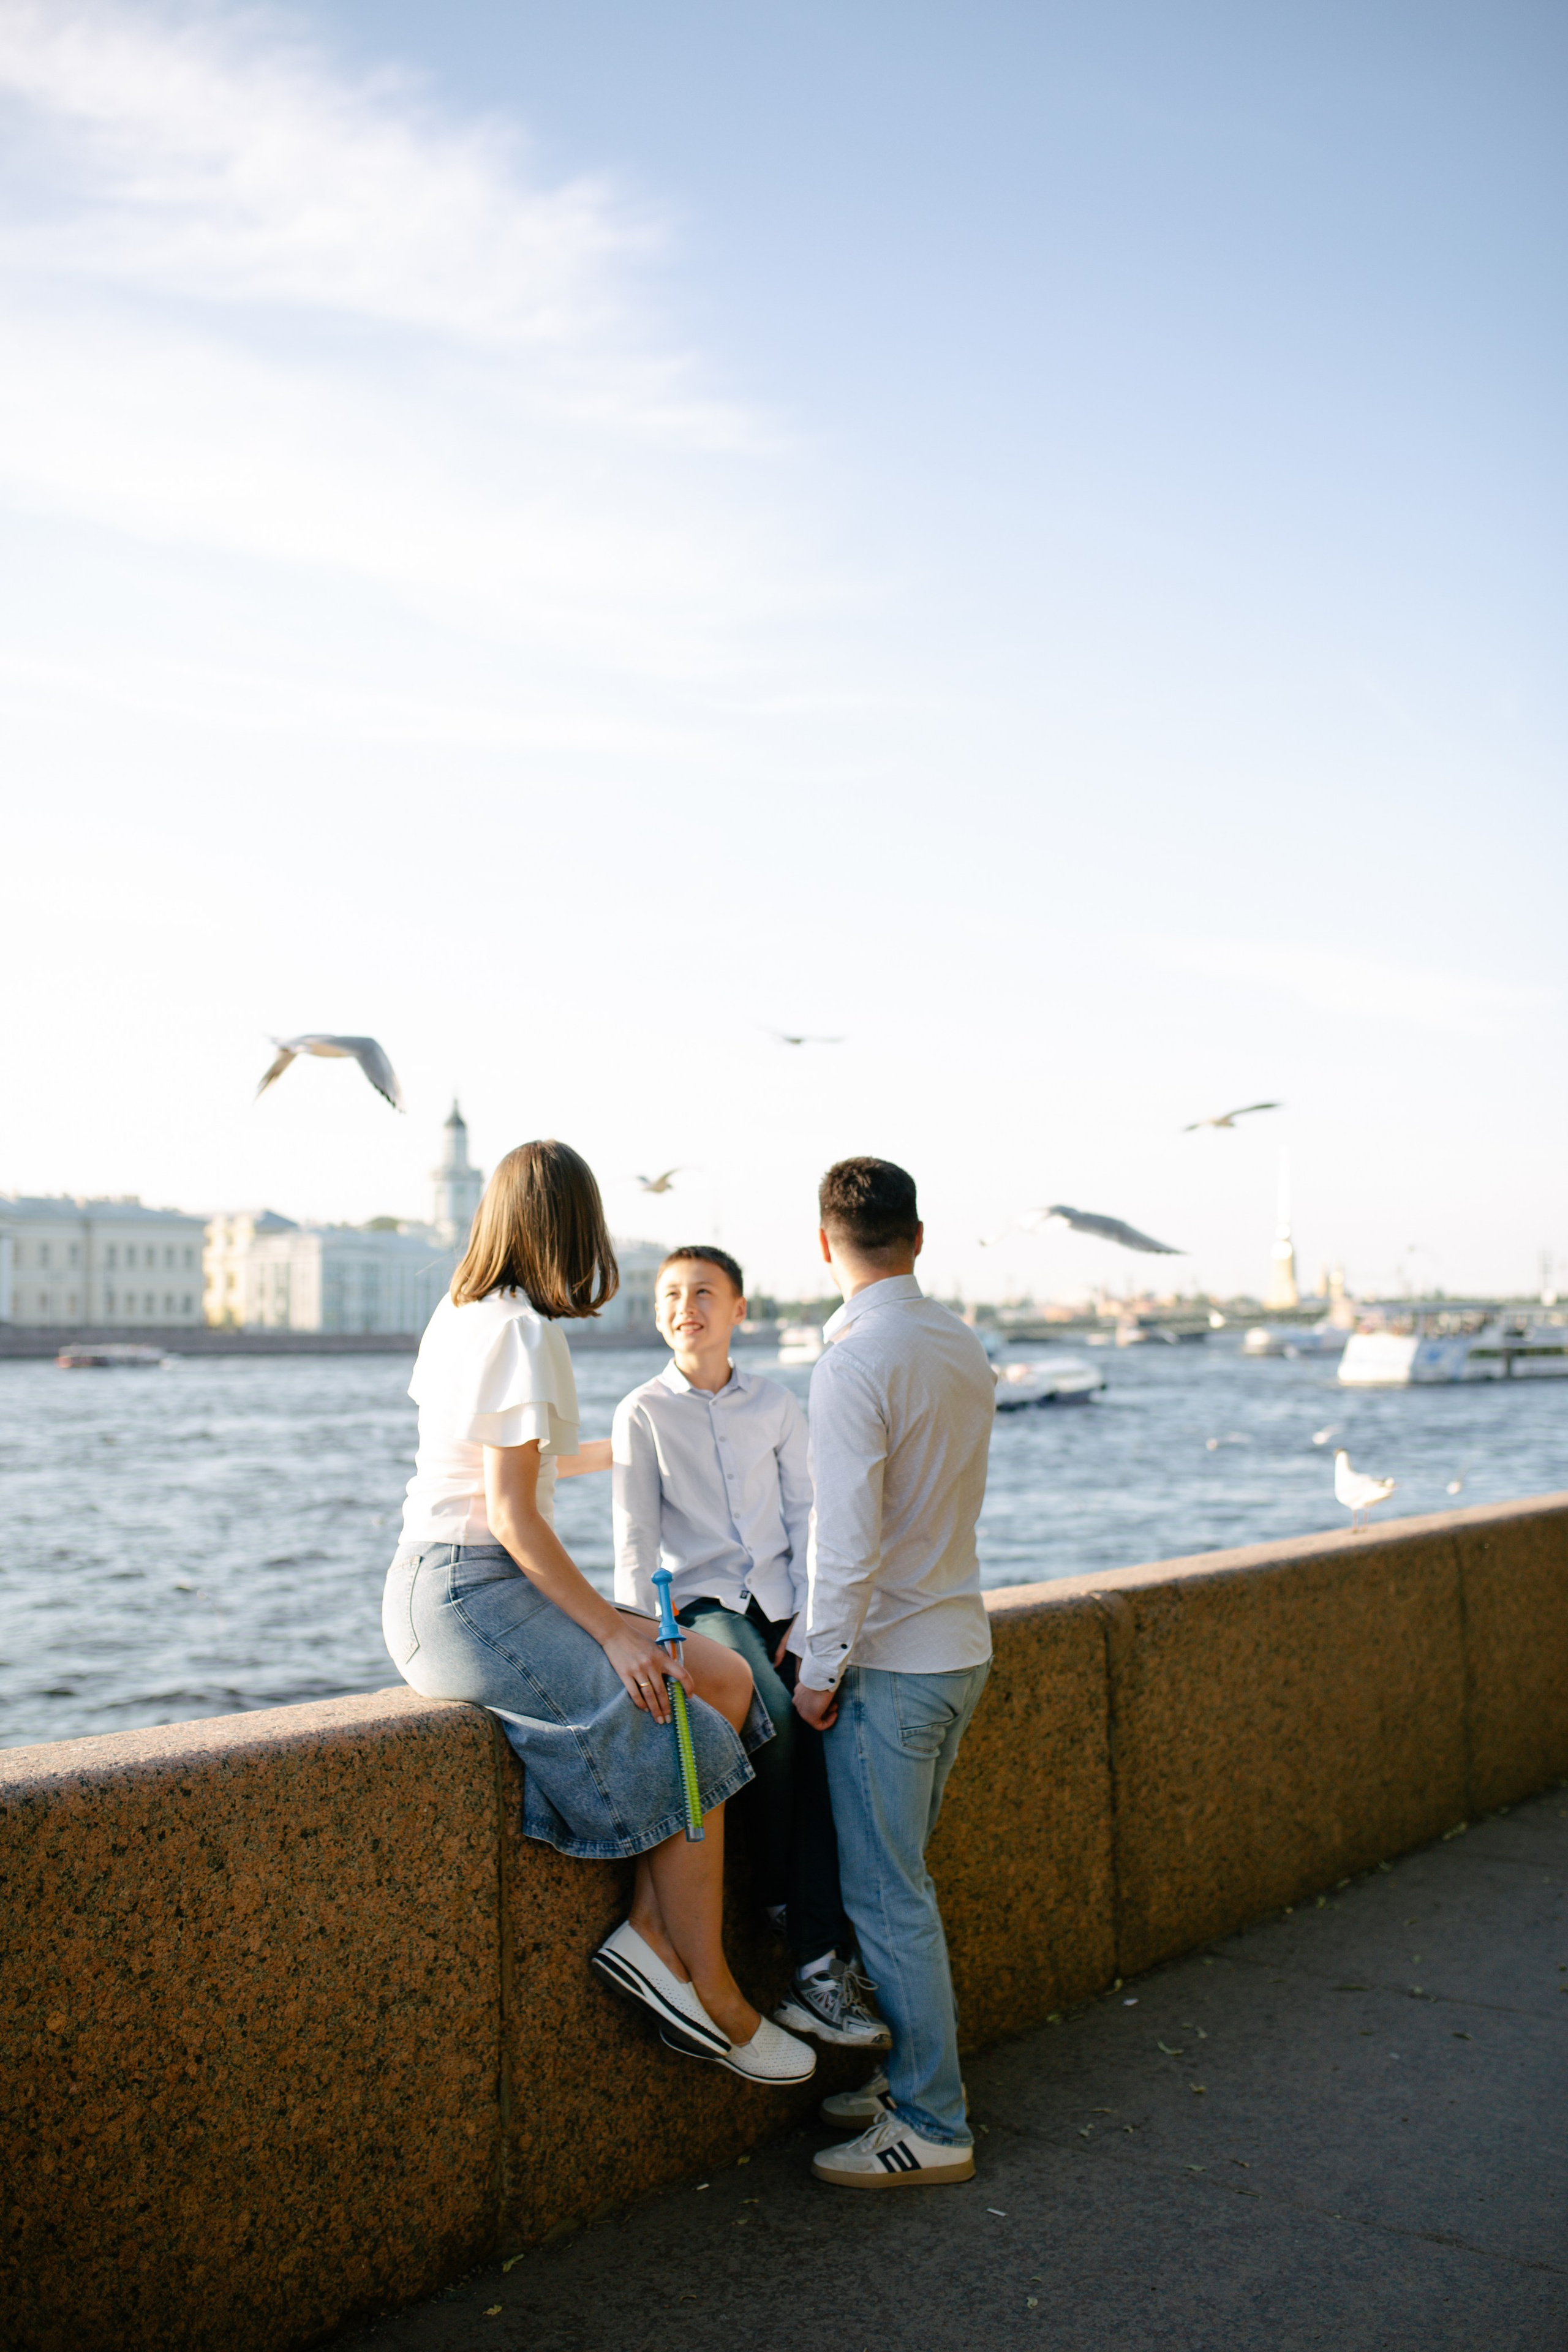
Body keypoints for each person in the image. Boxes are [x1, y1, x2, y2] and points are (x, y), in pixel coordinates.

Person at [382, 1139, 813, 2087]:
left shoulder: (465, 1312)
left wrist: (609, 1450)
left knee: (727, 1675)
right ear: (572, 1227)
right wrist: (615, 1631)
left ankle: (654, 1935)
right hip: (467, 1591)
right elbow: (507, 1513)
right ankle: (713, 1988)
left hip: (464, 1580)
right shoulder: (517, 1331)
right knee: (675, 1706)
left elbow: (510, 1467)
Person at [612, 1246, 888, 2055]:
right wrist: (639, 1637)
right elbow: (632, 1543)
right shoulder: (642, 1411)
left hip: (780, 1608)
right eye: (669, 1294)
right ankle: (808, 1949)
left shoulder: (774, 1404)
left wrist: (810, 1626)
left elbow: (810, 1517)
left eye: (703, 1293)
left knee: (828, 1739)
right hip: (700, 1613)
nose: (684, 1307)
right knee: (774, 1710)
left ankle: (802, 1923)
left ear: (739, 1309)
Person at [792, 1157, 997, 2186]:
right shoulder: (961, 1346)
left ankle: (934, 2122)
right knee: (900, 1884)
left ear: (825, 1245)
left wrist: (819, 1670)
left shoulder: (853, 1361)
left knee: (889, 1900)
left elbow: (845, 1541)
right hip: (959, 1648)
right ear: (917, 1239)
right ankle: (892, 2087)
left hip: (889, 1669)